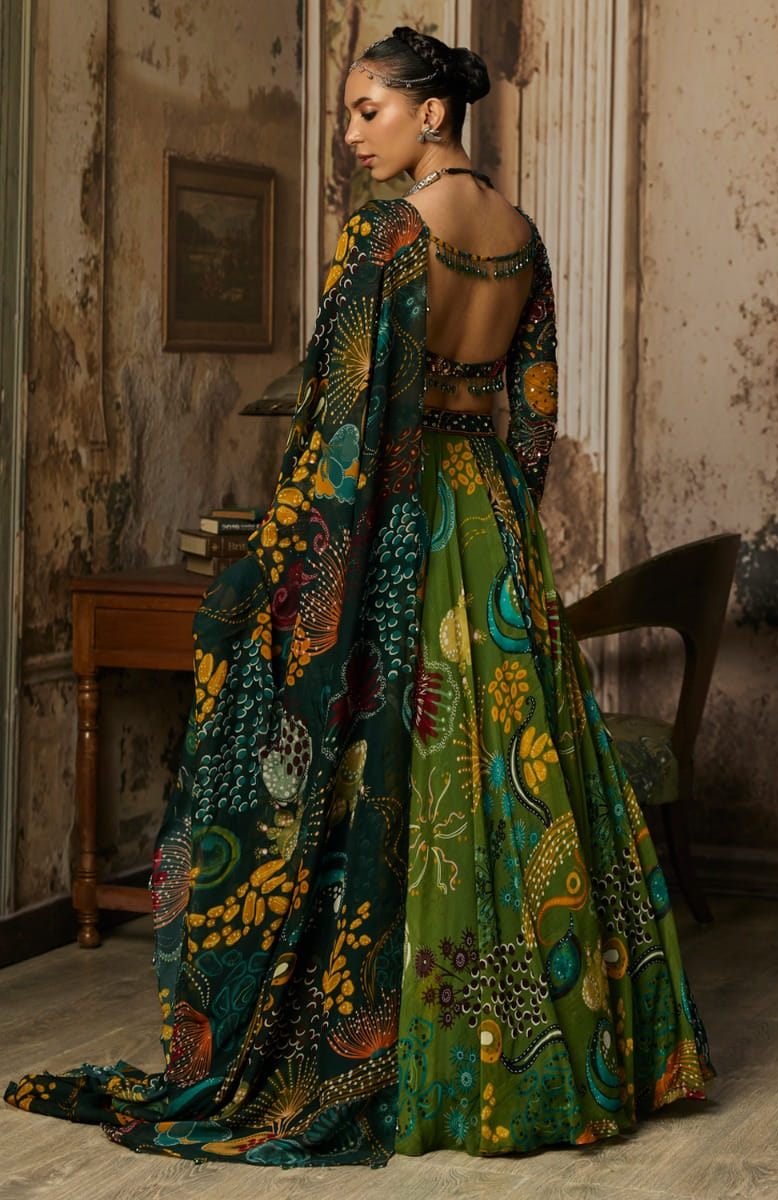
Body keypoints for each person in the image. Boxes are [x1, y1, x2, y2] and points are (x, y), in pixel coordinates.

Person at [5, 27, 713, 1167]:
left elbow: (339, 426)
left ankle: (396, 1051)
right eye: (344, 113)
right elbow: (533, 418)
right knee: (505, 771)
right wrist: (497, 523)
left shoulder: (387, 234)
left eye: (366, 110)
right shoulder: (522, 237)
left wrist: (282, 563)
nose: (348, 135)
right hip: (489, 519)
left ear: (432, 113)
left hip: (400, 519)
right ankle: (540, 1047)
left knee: (385, 770)